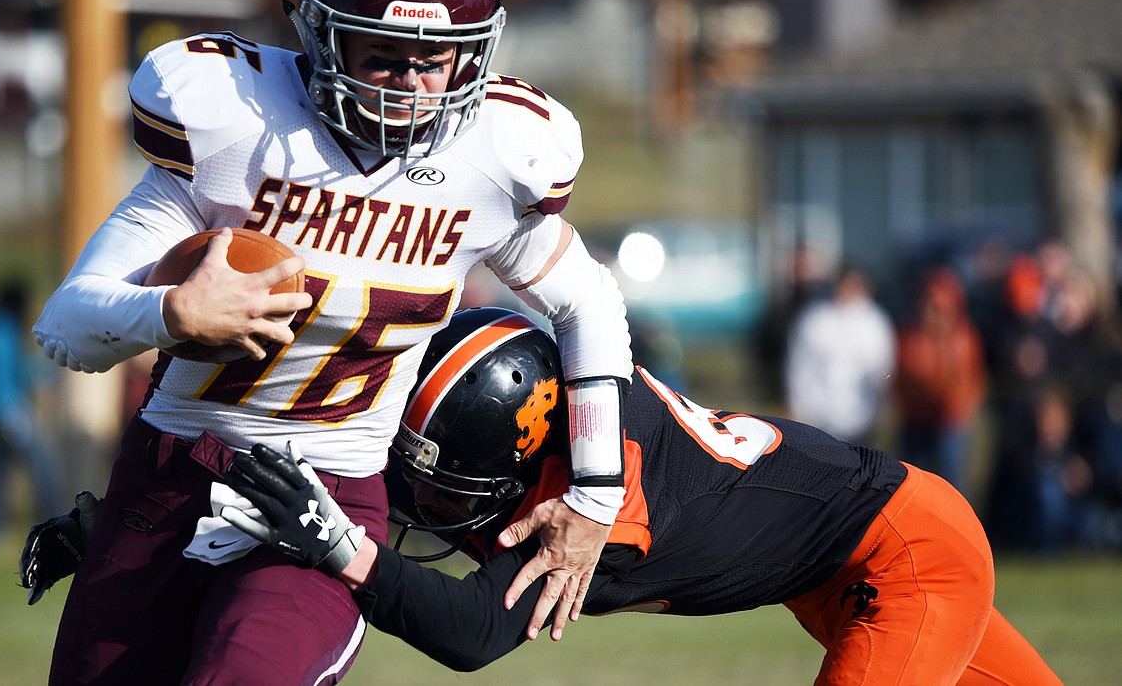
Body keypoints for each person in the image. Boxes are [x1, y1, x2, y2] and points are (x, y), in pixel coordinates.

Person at [28, 0, 631, 683]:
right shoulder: (238, 127)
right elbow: (65, 325)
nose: (410, 86)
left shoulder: (491, 161)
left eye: (435, 60)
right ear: (320, 34)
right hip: (168, 477)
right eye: (383, 55)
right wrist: (170, 313)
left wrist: (596, 491)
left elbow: (588, 303)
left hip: (326, 497)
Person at [207, 307, 1060, 683]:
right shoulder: (576, 406)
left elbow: (469, 635)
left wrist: (343, 548)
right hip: (849, 563)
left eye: (446, 484)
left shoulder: (598, 514)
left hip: (903, 559)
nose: (426, 504)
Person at [0, 278, 63, 541]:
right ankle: (52, 521)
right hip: (8, 410)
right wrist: (46, 371)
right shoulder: (3, 328)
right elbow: (7, 373)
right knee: (43, 464)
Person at [893, 265, 987, 495]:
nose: (930, 310)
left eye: (937, 305)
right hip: (916, 420)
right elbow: (902, 375)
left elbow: (971, 381)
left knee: (950, 486)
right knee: (909, 485)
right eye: (927, 302)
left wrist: (958, 411)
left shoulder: (963, 337)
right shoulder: (910, 335)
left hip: (949, 423)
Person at [784, 263, 896, 444]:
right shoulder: (815, 317)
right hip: (819, 417)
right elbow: (799, 365)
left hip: (861, 416)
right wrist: (797, 404)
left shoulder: (875, 322)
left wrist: (881, 402)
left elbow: (884, 368)